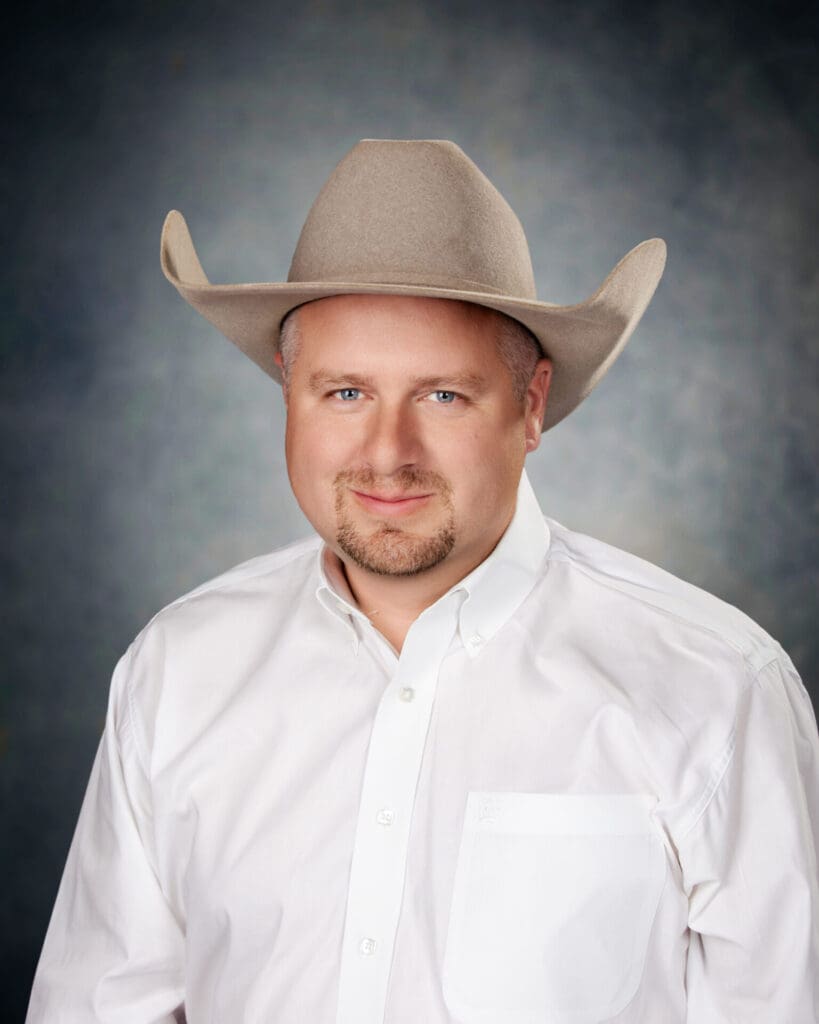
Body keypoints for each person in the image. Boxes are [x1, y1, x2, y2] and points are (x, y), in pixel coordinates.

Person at [27, 140, 818, 1023]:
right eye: (345, 393)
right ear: (288, 392)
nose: (387, 453)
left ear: (530, 405)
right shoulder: (178, 670)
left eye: (442, 395)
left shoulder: (711, 687)